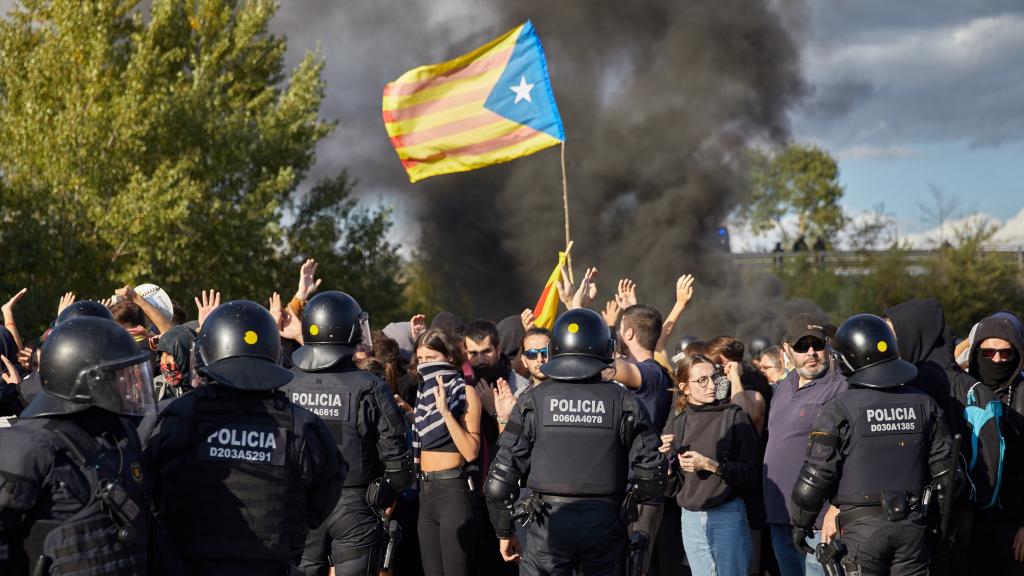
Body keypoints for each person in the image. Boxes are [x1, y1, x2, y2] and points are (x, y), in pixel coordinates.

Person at [144, 300, 346, 576]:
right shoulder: (301, 425)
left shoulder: (176, 416)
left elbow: (145, 489)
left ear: (207, 353)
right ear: (273, 353)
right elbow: (321, 502)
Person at [484, 308, 665, 576]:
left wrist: (504, 532)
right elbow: (652, 475)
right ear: (606, 348)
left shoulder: (533, 400)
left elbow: (498, 482)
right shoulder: (624, 401)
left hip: (547, 525)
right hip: (605, 524)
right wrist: (627, 511)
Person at [791, 314, 956, 576]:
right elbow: (948, 475)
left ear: (847, 358)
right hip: (913, 529)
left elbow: (815, 477)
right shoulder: (924, 403)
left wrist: (801, 524)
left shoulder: (838, 410)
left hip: (861, 532)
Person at [0, 317, 157, 575]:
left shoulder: (119, 437)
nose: (131, 387)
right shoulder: (27, 448)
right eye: (121, 377)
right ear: (92, 381)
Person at [285, 291, 414, 576]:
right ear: (348, 329)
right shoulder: (369, 385)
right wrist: (384, 496)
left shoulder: (286, 383)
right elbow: (398, 458)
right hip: (355, 503)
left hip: (300, 502)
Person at [763, 313, 846, 576]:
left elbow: (852, 452)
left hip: (819, 522)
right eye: (802, 346)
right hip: (781, 517)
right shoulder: (786, 384)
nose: (811, 353)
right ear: (787, 350)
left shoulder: (840, 386)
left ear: (828, 345)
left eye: (817, 344)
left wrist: (837, 507)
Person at [663, 354, 760, 576]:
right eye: (702, 380)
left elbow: (751, 474)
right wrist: (666, 466)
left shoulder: (733, 416)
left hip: (727, 514)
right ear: (685, 388)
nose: (712, 385)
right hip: (690, 518)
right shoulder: (678, 421)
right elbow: (673, 488)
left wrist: (711, 465)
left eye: (713, 377)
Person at [412, 327, 483, 576]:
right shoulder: (422, 395)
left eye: (431, 358)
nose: (424, 365)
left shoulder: (465, 393)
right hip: (425, 492)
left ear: (449, 357)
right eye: (420, 359)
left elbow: (471, 451)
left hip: (453, 491)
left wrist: (445, 413)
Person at [962, 312, 1024, 575]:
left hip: (1012, 525)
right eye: (987, 353)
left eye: (1005, 354)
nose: (996, 360)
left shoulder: (1021, 393)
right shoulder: (963, 390)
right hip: (968, 522)